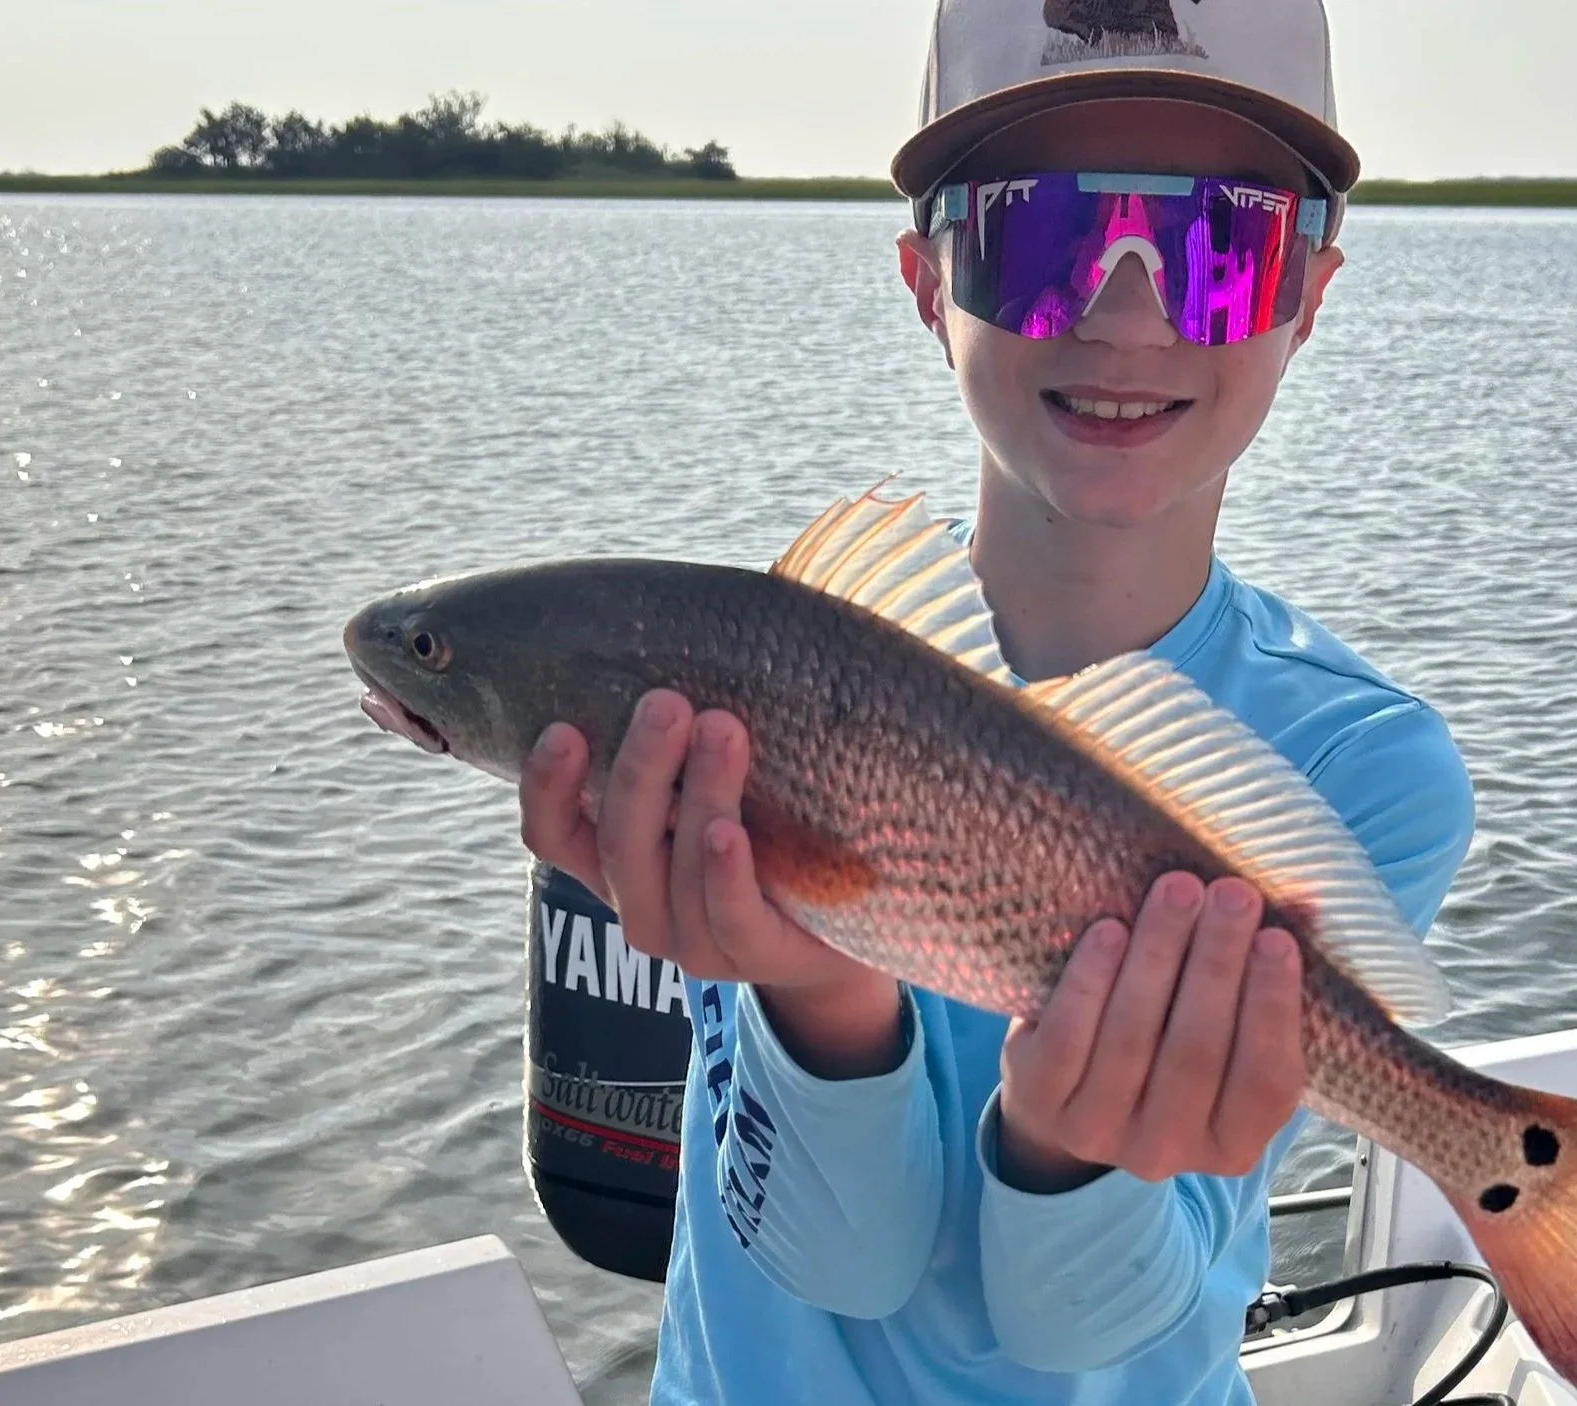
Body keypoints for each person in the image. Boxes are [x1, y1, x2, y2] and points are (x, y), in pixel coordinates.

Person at [518, 2, 1475, 1401]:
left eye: (1224, 248)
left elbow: (1084, 1325)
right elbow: (835, 1259)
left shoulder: (1361, 763)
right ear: (926, 276)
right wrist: (817, 987)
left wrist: (1068, 1147)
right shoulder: (759, 678)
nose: (1126, 308)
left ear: (1311, 294)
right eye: (1041, 235)